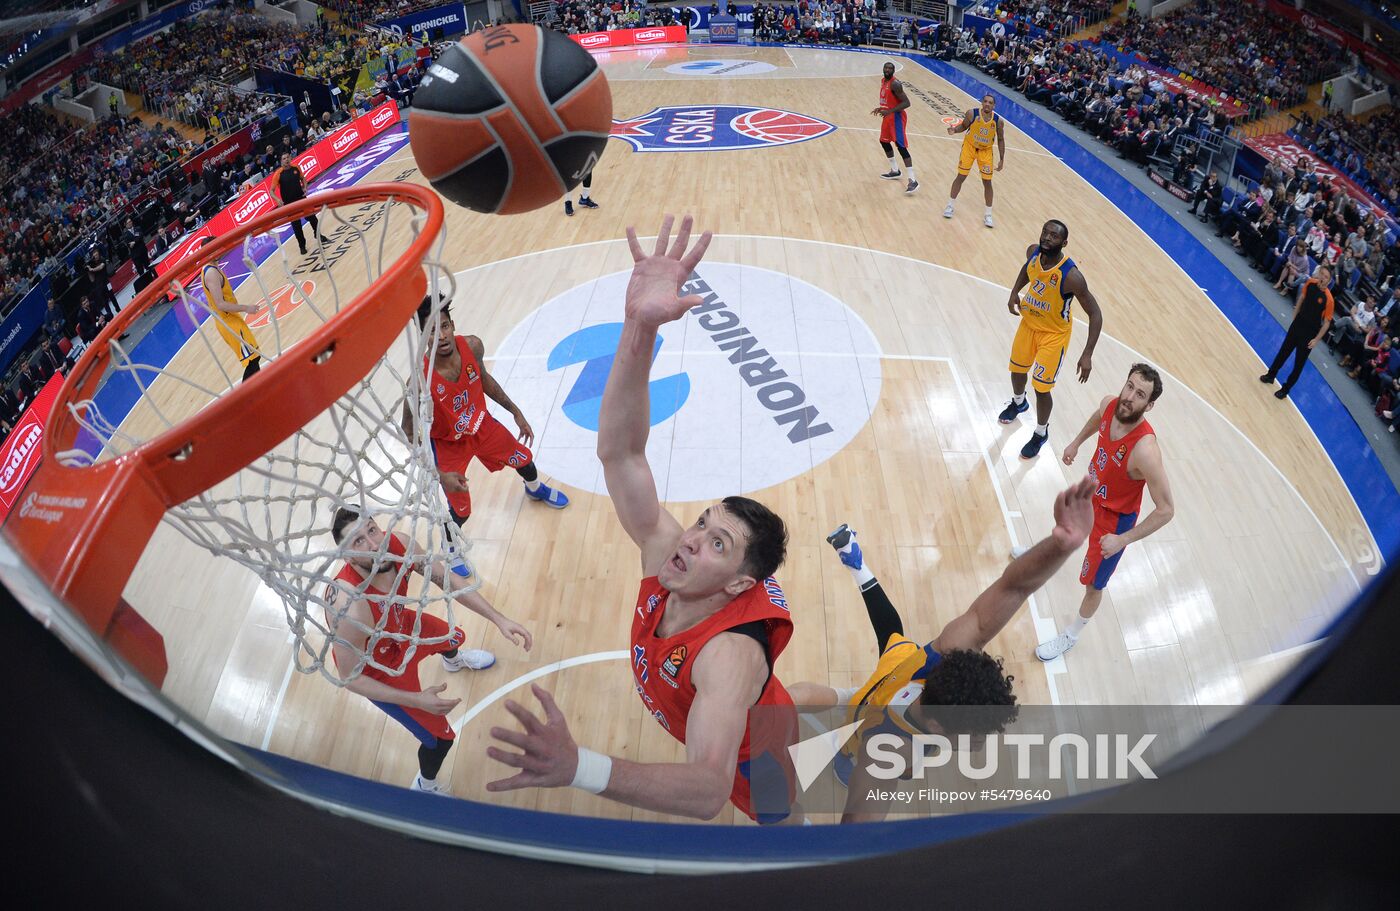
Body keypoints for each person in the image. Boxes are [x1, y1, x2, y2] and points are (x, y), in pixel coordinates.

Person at [485, 216, 802, 823]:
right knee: (785, 701)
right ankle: (837, 700)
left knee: (788, 824)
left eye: (717, 542)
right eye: (702, 522)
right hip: (742, 702)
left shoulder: (727, 657)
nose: (689, 539)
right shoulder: (667, 556)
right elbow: (622, 452)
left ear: (740, 583)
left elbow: (708, 790)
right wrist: (638, 328)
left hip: (754, 758)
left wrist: (581, 768)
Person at [788, 476, 1096, 821]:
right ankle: (830, 756)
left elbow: (1014, 587)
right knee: (847, 745)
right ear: (936, 726)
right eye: (974, 734)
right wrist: (793, 818)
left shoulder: (947, 651)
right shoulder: (887, 755)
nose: (979, 742)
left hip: (894, 675)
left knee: (884, 643)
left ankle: (775, 702)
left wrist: (1062, 547)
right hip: (868, 724)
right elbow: (854, 833)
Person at [324, 508, 533, 793]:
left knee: (453, 636)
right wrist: (415, 700)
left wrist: (499, 619)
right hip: (377, 669)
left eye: (372, 530)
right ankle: (426, 785)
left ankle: (453, 661)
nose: (374, 545)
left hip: (399, 627)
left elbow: (445, 578)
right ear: (346, 556)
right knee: (440, 739)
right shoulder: (350, 607)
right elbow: (350, 678)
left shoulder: (398, 544)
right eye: (358, 541)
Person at [402, 297, 568, 577]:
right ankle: (451, 546)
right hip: (448, 445)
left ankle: (534, 489)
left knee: (524, 459)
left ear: (452, 324)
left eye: (444, 326)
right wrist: (440, 474)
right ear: (423, 336)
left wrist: (515, 411)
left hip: (481, 425)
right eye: (431, 330)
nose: (441, 335)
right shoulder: (418, 380)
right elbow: (408, 430)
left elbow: (484, 379)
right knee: (461, 511)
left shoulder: (473, 346)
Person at [1031, 365, 1175, 660]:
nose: (1129, 397)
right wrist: (1075, 442)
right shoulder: (1111, 403)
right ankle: (1040, 563)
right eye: (1130, 386)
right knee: (1065, 529)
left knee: (1094, 585)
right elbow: (1099, 418)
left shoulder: (1146, 450)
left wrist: (1123, 540)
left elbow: (1167, 510)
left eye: (1140, 394)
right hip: (1092, 493)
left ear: (1149, 405)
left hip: (1114, 521)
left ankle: (1071, 635)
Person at [999, 219, 1104, 459]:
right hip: (1029, 324)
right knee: (1016, 370)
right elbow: (1027, 269)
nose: (1047, 237)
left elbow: (1095, 313)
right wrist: (1015, 291)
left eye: (1054, 236)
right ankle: (1018, 402)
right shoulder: (1033, 253)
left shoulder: (1072, 277)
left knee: (1041, 387)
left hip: (1053, 336)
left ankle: (1040, 432)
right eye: (1045, 232)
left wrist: (1087, 353)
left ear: (1064, 242)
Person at [1259, 264, 1335, 400]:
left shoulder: (1329, 299)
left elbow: (1327, 323)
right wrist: (1295, 315)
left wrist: (1316, 339)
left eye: (1326, 277)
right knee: (1283, 352)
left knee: (1298, 364)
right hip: (1298, 324)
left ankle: (1285, 389)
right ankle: (1271, 375)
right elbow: (1301, 298)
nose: (1323, 278)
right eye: (1322, 274)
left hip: (1309, 334)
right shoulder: (1311, 282)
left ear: (1329, 281)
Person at [199, 241, 263, 383]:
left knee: (255, 357)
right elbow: (221, 304)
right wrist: (246, 308)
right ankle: (246, 400)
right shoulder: (211, 273)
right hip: (228, 322)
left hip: (231, 319)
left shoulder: (212, 267)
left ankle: (258, 392)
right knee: (251, 361)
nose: (220, 250)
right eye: (216, 248)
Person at [944, 93, 1005, 227]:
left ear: (994, 106)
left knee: (987, 182)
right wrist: (954, 130)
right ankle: (950, 205)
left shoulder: (998, 121)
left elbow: (1000, 139)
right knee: (961, 176)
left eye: (990, 102)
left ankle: (988, 215)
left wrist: (1001, 159)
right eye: (985, 101)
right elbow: (964, 126)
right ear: (982, 102)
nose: (987, 104)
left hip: (986, 151)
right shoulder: (972, 113)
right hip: (969, 147)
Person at [873, 62, 917, 194]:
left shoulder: (895, 83)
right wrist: (882, 108)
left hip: (896, 118)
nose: (887, 70)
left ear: (893, 70)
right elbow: (890, 100)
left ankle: (913, 180)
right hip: (888, 116)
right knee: (884, 141)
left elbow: (906, 103)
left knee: (901, 146)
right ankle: (895, 170)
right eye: (885, 67)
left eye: (890, 68)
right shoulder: (883, 81)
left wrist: (890, 111)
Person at [272, 152, 328, 256]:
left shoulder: (296, 167)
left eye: (288, 157)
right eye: (284, 158)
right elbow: (271, 191)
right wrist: (277, 199)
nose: (286, 159)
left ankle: (318, 235)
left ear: (290, 158)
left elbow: (303, 178)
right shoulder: (278, 174)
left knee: (312, 218)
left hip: (301, 198)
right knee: (296, 226)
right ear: (281, 161)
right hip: (289, 204)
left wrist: (305, 187)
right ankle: (302, 246)